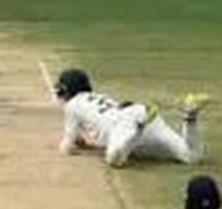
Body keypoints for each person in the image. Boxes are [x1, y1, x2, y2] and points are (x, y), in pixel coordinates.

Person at [52, 68, 208, 167]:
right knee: (191, 157)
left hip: (124, 125)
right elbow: (81, 139)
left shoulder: (72, 105)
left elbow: (66, 147)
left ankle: (137, 129)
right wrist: (86, 145)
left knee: (114, 161)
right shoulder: (98, 96)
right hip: (142, 112)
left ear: (66, 91)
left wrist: (77, 148)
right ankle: (190, 115)